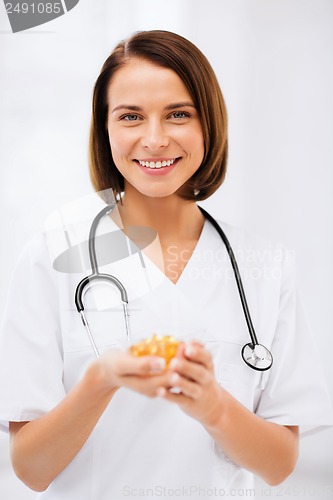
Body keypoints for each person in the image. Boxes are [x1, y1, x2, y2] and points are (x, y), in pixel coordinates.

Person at [0, 30, 332, 500]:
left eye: (178, 114)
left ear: (208, 125)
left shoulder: (264, 267)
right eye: (130, 116)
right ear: (106, 128)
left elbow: (279, 467)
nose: (154, 140)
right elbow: (31, 470)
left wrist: (215, 407)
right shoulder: (53, 253)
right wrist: (100, 382)